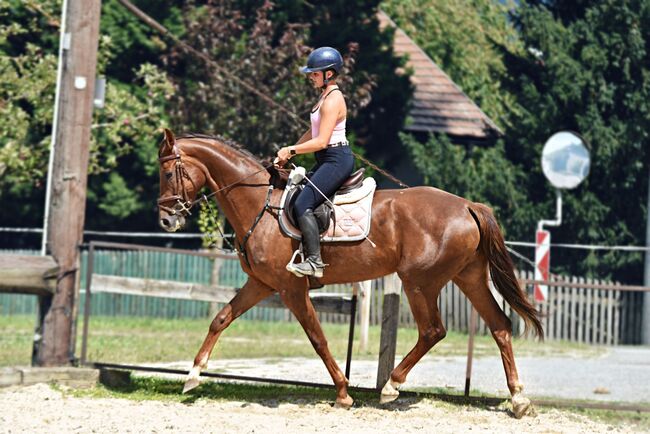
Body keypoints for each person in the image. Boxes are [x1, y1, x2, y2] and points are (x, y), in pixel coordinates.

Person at [275, 47, 354, 278]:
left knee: (302, 204)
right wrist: (291, 153)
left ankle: (314, 262)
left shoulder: (333, 100)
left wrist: (290, 149)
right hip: (327, 159)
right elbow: (313, 131)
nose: (311, 77)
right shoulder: (324, 97)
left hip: (336, 160)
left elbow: (321, 141)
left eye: (315, 73)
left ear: (329, 74)